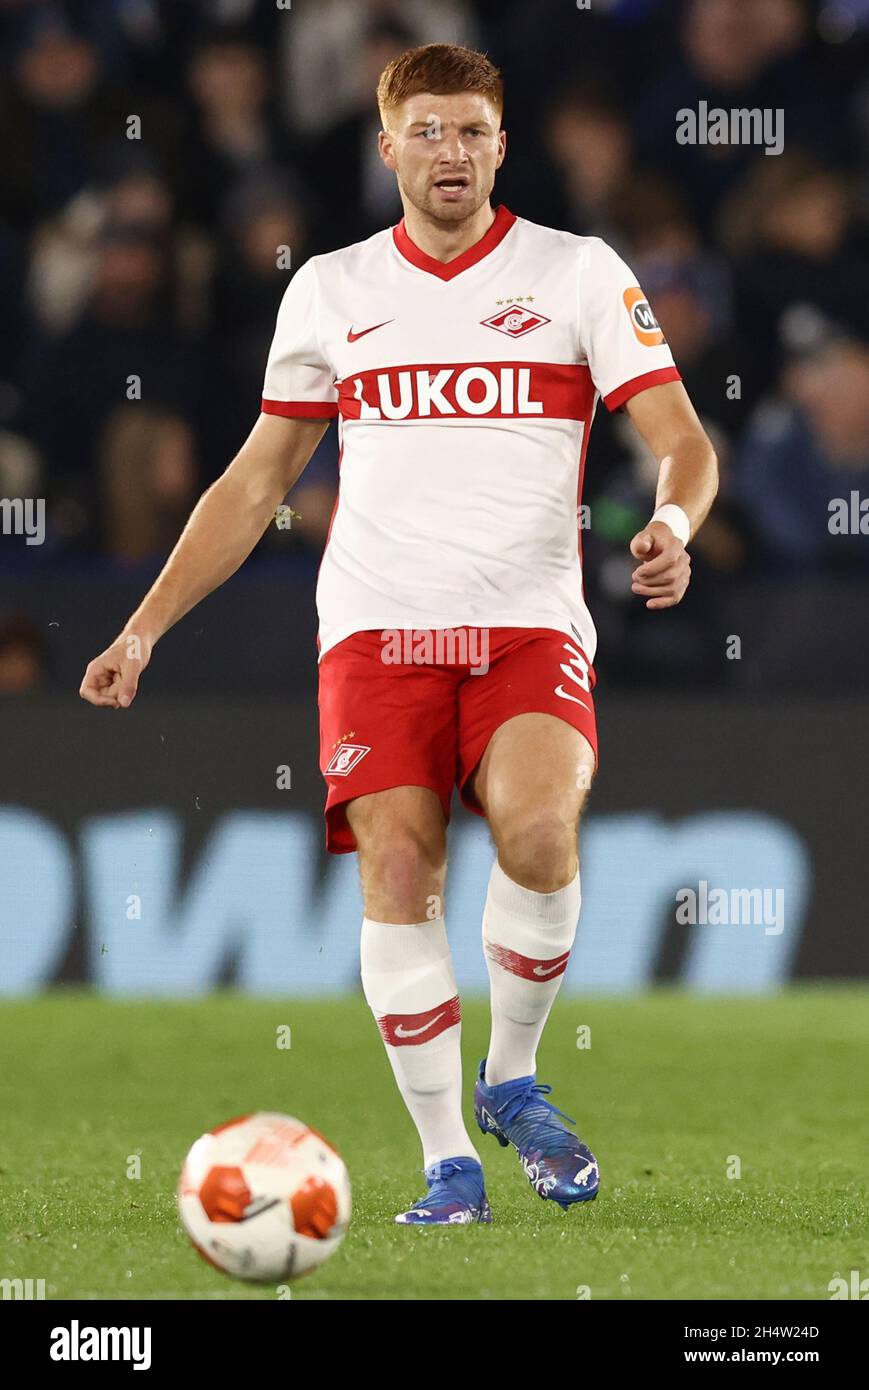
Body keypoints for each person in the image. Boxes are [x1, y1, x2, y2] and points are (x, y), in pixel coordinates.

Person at [80, 44, 718, 1226]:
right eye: (426, 131)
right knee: (397, 867)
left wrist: (672, 519)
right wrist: (145, 625)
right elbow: (255, 474)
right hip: (375, 628)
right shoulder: (329, 288)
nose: (450, 153)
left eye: (471, 131)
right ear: (386, 148)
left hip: (526, 621)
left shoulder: (576, 273)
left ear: (499, 146)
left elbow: (682, 438)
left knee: (536, 832)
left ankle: (511, 1080)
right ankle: (447, 1164)